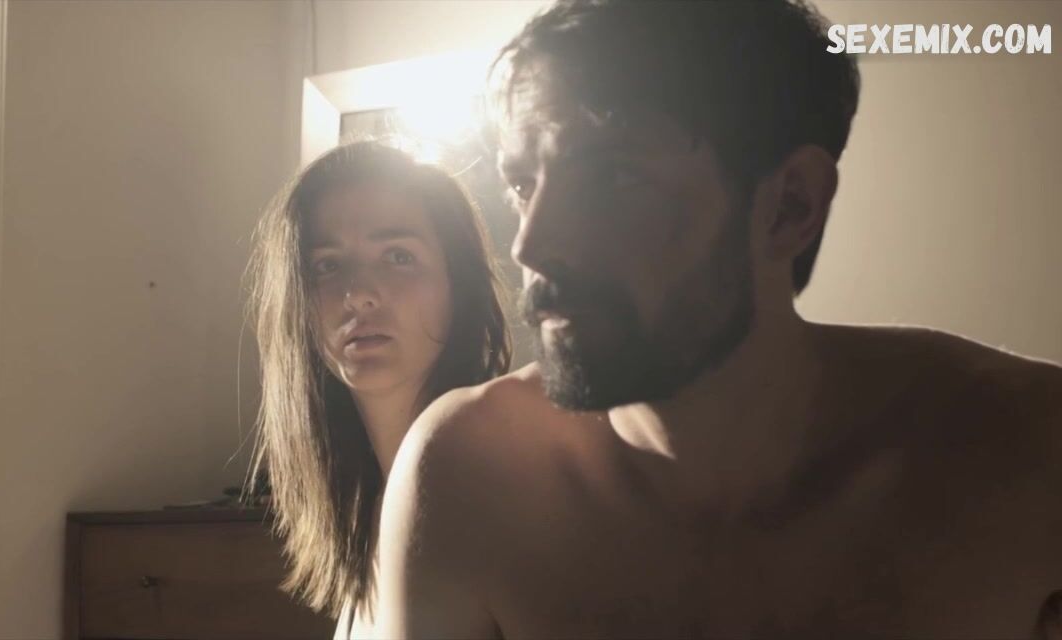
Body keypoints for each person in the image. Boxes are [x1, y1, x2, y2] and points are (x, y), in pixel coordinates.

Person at [374, 1, 1062, 637]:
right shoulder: (468, 476)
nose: (531, 243)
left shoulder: (1028, 457)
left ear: (790, 206)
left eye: (615, 177)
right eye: (524, 185)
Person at [244, 141, 512, 637]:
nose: (358, 295)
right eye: (327, 265)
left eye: (398, 256)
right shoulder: (365, 509)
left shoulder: (498, 490)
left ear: (457, 285)